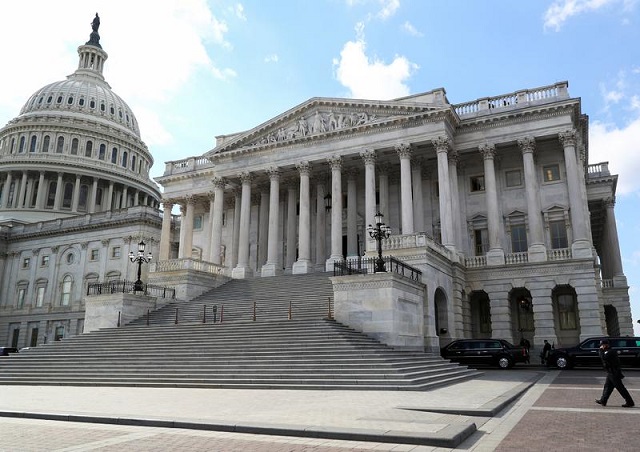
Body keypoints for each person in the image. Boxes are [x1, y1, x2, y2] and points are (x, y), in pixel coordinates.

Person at [595, 339, 634, 408]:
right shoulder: (607, 351)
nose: (601, 347)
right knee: (607, 387)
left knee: (621, 388)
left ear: (606, 345)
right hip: (611, 372)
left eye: (602, 345)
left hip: (614, 373)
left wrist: (600, 351)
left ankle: (630, 402)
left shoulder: (610, 352)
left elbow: (604, 357)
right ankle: (603, 400)